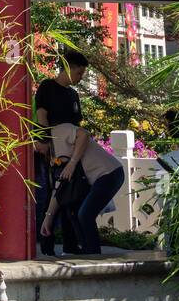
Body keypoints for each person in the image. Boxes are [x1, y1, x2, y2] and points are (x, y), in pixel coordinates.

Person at [33, 49, 88, 255]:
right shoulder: (47, 87)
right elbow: (41, 115)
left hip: (71, 154)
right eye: (79, 73)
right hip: (52, 151)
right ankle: (46, 246)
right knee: (50, 197)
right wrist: (44, 141)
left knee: (70, 196)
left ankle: (70, 244)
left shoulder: (73, 94)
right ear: (68, 68)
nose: (80, 77)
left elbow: (77, 125)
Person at [41, 122, 125, 256]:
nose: (34, 150)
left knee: (85, 214)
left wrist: (72, 163)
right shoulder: (53, 157)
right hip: (94, 180)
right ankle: (87, 251)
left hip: (109, 173)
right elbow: (59, 188)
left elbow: (83, 134)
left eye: (33, 145)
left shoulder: (59, 130)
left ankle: (93, 254)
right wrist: (48, 218)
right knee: (74, 212)